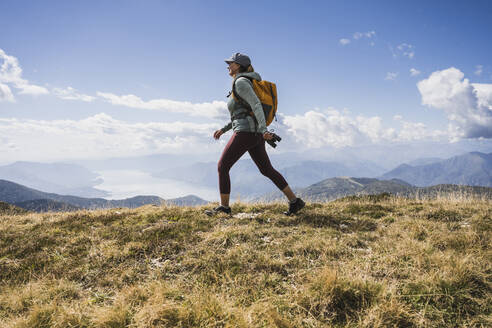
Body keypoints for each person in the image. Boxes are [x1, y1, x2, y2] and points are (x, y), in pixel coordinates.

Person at [210, 52, 305, 216]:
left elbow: (255, 105)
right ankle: (295, 202)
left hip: (247, 133)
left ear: (238, 65)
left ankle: (224, 208)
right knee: (266, 169)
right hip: (252, 133)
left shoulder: (241, 83)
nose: (228, 66)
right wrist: (224, 129)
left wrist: (263, 130)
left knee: (222, 166)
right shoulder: (243, 82)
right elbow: (241, 114)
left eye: (231, 63)